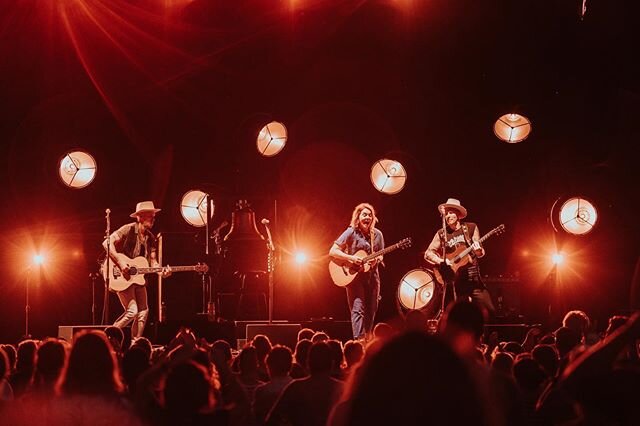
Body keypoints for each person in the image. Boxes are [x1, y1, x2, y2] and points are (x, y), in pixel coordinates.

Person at [103, 201, 171, 339]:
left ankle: (136, 344)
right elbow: (106, 243)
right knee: (132, 311)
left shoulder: (151, 238)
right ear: (139, 217)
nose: (153, 218)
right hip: (122, 275)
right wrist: (121, 263)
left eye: (153, 216)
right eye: (149, 215)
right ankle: (107, 337)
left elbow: (153, 262)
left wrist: (161, 272)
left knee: (143, 312)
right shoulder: (128, 229)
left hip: (138, 279)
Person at [424, 198, 494, 316]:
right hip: (457, 280)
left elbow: (480, 253)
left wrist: (478, 250)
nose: (448, 216)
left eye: (451, 212)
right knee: (462, 314)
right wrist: (442, 260)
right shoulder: (441, 233)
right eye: (446, 214)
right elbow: (428, 253)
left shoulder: (471, 228)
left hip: (473, 277)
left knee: (489, 310)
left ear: (458, 214)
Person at [330, 203, 384, 341]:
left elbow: (380, 254)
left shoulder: (377, 235)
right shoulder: (351, 232)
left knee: (372, 310)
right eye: (364, 214)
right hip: (354, 278)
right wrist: (351, 258)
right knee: (358, 310)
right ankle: (359, 343)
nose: (368, 217)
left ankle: (368, 341)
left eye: (370, 215)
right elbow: (333, 251)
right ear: (358, 217)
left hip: (372, 277)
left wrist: (376, 260)